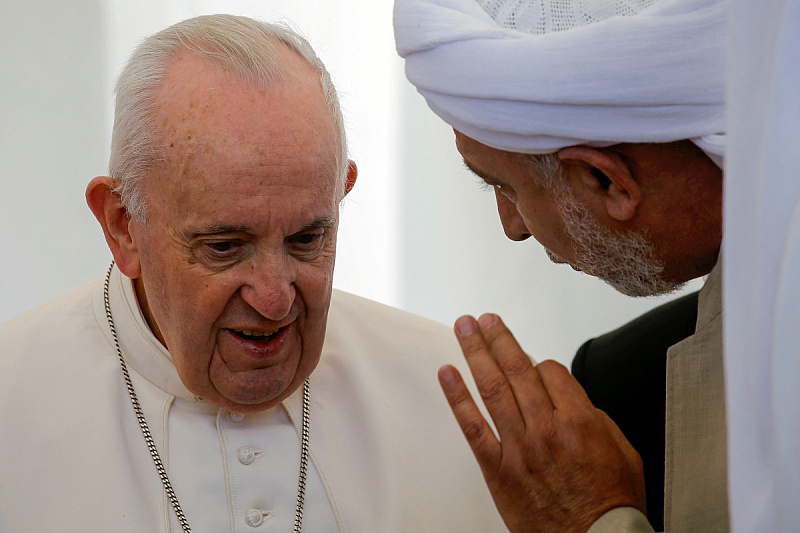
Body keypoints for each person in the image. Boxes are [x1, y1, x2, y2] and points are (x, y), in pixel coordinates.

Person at [0, 15, 506, 532]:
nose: (274, 300)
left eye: (307, 239)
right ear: (122, 225)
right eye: (224, 247)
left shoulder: (459, 398)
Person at [394, 0, 728, 531]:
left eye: (506, 186)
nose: (513, 226)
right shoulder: (625, 380)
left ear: (607, 181)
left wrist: (589, 519)